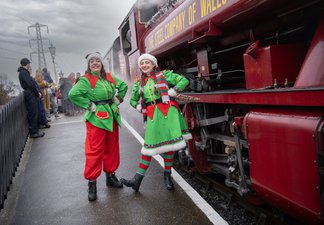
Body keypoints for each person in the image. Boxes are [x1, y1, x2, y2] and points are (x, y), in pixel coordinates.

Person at [121, 53, 192, 192]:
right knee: (149, 147)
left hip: (168, 113)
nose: (144, 65)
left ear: (153, 64)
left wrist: (173, 91)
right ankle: (137, 179)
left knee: (170, 146)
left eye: (147, 63)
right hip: (153, 115)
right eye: (142, 64)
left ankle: (167, 176)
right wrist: (139, 107)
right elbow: (132, 100)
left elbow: (184, 81)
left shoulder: (164, 75)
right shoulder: (139, 82)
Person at [68, 52, 128, 201]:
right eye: (92, 61)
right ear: (88, 65)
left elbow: (124, 86)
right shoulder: (85, 80)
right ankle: (92, 183)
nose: (95, 63)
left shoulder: (108, 76)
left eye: (97, 61)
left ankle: (110, 176)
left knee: (112, 147)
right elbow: (73, 94)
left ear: (101, 63)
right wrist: (89, 105)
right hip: (96, 119)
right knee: (94, 150)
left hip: (112, 115)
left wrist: (117, 99)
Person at [17, 58, 45, 138]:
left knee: (34, 112)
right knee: (33, 113)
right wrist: (37, 93)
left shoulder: (23, 72)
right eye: (28, 64)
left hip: (30, 93)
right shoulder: (23, 72)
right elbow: (30, 84)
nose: (29, 65)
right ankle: (34, 132)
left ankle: (35, 130)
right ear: (26, 64)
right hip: (30, 94)